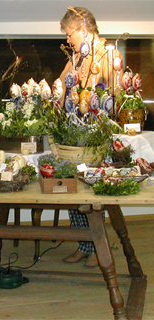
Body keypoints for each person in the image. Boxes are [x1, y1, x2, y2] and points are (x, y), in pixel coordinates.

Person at [59, 6, 123, 267]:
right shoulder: (75, 58)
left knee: (92, 194)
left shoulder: (109, 54)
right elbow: (61, 85)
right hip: (74, 136)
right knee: (72, 191)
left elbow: (115, 97)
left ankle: (97, 247)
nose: (67, 39)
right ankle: (85, 245)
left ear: (83, 29)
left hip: (97, 136)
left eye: (69, 33)